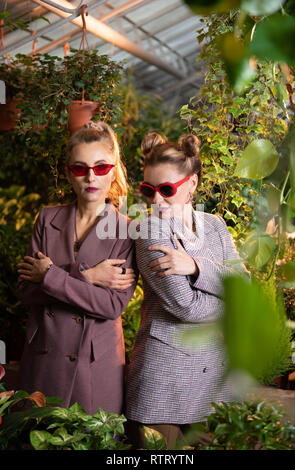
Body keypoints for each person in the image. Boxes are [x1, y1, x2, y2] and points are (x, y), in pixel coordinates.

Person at [125, 132, 248, 449]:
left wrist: (196, 265)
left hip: (214, 382)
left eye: (167, 190)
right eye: (148, 190)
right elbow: (185, 307)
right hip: (164, 380)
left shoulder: (216, 225)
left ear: (192, 184)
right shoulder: (149, 229)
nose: (156, 200)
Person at [17, 120, 138, 415]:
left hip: (95, 365)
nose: (90, 177)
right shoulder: (47, 220)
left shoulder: (127, 231)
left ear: (114, 171)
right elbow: (25, 291)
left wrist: (50, 275)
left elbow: (110, 306)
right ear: (69, 175)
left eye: (101, 167)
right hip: (45, 355)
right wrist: (86, 276)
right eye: (80, 168)